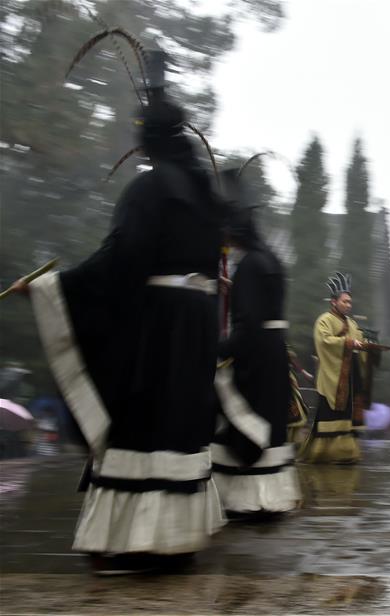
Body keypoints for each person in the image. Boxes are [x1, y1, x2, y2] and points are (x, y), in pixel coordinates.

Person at [9, 86, 227, 573]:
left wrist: (51, 287)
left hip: (159, 326)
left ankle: (136, 542)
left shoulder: (148, 190)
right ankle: (179, 538)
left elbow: (121, 260)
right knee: (179, 425)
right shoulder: (207, 199)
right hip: (196, 326)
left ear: (146, 142)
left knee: (141, 421)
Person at [211, 170, 300, 515]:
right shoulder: (271, 260)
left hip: (256, 357)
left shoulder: (248, 265)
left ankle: (246, 500)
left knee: (238, 418)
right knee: (271, 425)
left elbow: (247, 325)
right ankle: (270, 498)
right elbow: (265, 308)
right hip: (274, 351)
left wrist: (219, 350)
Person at [299, 273, 368, 464]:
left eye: (350, 302)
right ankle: (324, 454)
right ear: (333, 302)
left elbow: (359, 342)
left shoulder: (353, 324)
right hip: (334, 377)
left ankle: (347, 454)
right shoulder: (324, 320)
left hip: (351, 375)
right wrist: (348, 342)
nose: (348, 305)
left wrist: (366, 345)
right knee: (329, 413)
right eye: (345, 301)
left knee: (349, 413)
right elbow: (324, 341)